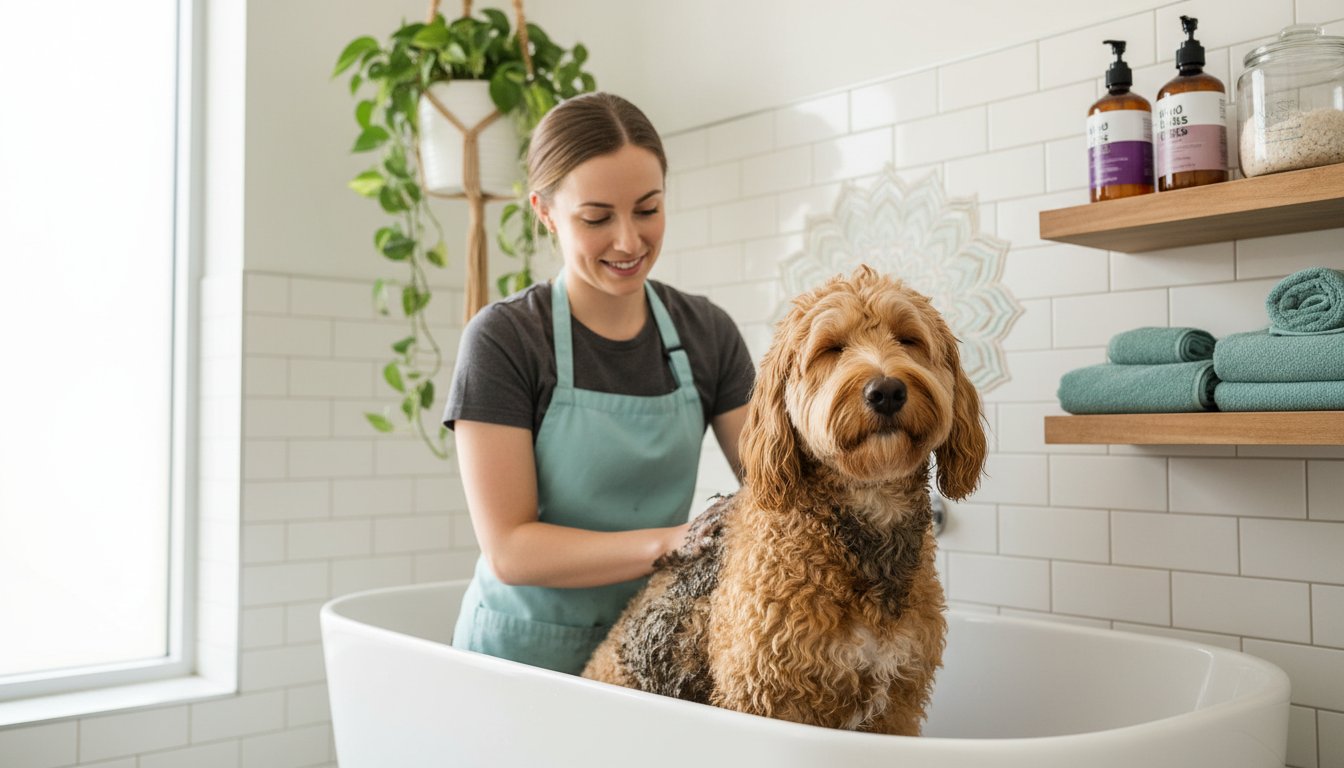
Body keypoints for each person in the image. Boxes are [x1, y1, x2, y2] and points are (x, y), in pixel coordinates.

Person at [443, 92, 756, 675]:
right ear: (545, 211)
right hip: (518, 662)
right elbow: (510, 549)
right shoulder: (505, 340)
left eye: (647, 209)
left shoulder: (707, 333)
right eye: (596, 218)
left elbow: (774, 480)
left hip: (651, 651)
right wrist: (673, 544)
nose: (629, 242)